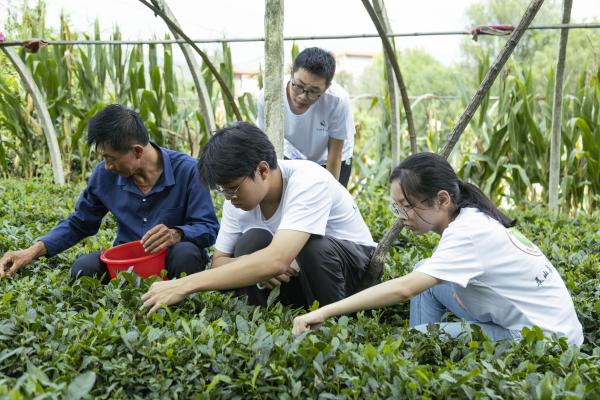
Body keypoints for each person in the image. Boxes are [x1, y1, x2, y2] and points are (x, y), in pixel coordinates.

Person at [292, 152, 584, 345]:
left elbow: (405, 288)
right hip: (544, 323)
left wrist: (324, 312)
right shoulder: (469, 217)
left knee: (418, 330)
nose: (401, 217)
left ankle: (419, 346)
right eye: (398, 207)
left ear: (442, 200)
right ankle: (422, 348)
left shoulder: (468, 233)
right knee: (425, 277)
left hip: (545, 340)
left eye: (407, 206)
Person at [141, 122, 376, 312]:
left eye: (231, 189)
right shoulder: (238, 199)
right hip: (301, 277)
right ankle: (261, 317)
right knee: (250, 242)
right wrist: (261, 266)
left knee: (313, 247)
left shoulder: (309, 180)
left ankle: (334, 321)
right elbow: (219, 260)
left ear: (262, 170)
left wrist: (184, 285)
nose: (228, 198)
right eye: (222, 191)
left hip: (352, 273)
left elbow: (276, 261)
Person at [0, 104, 219, 282]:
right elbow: (80, 222)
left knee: (186, 256)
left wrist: (176, 234)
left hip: (170, 258)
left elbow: (208, 228)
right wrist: (31, 251)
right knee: (82, 270)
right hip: (126, 262)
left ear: (137, 151)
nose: (106, 166)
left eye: (110, 158)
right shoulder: (104, 176)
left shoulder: (189, 170)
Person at [257, 47, 355, 187]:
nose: (302, 96)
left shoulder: (337, 101)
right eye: (298, 86)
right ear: (292, 72)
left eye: (314, 91)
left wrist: (330, 195)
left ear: (327, 87)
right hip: (293, 154)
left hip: (332, 159)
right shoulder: (269, 96)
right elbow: (263, 144)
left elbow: (335, 155)